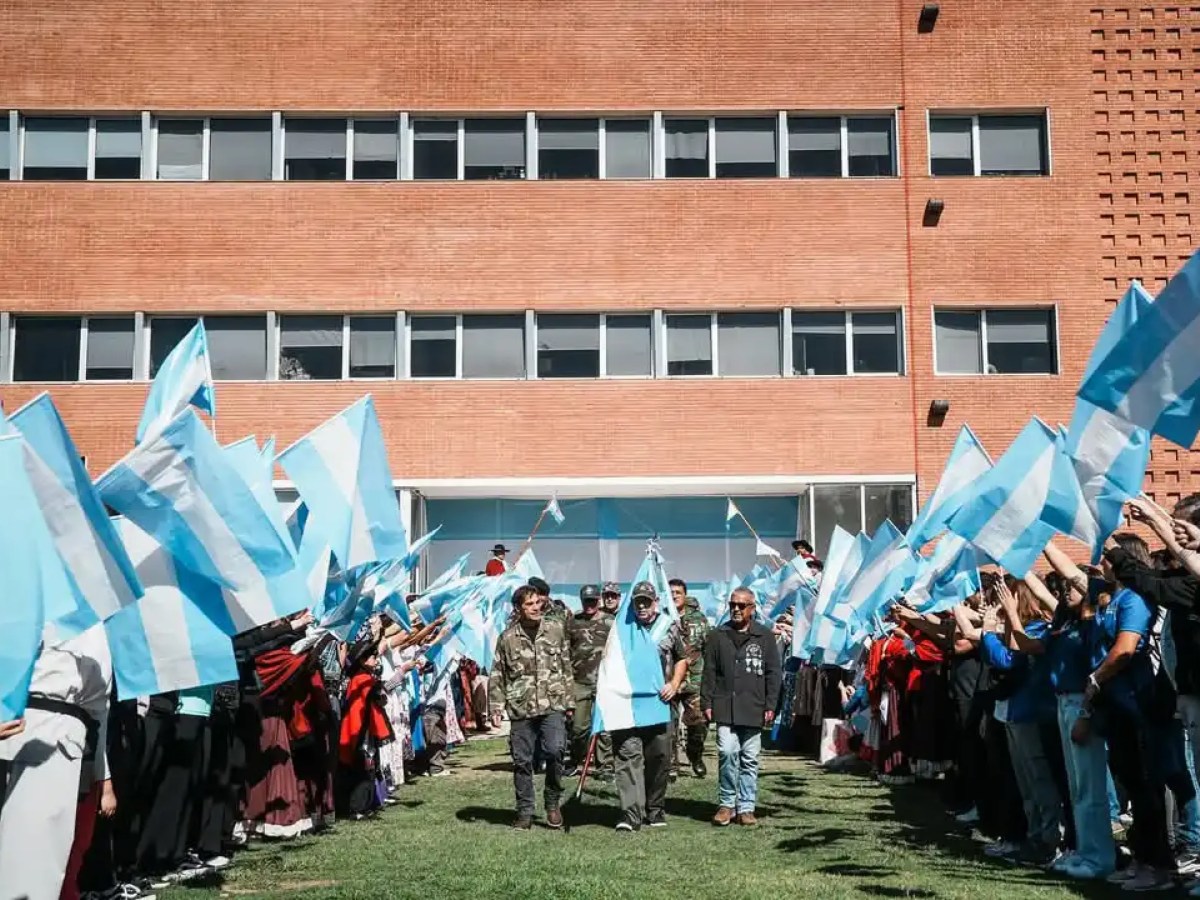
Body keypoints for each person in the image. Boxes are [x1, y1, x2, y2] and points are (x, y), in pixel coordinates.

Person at [0, 622, 113, 900]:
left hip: (67, 745)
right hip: (22, 727)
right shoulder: (28, 601)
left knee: (41, 862)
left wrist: (102, 775)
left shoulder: (98, 629)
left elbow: (101, 708)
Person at [488, 584, 574, 830]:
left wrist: (569, 701)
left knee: (556, 751)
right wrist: (495, 707)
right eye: (529, 604)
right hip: (521, 707)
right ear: (519, 608)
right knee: (522, 761)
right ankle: (524, 811)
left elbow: (566, 665)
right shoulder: (507, 638)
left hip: (552, 703)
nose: (536, 607)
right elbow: (498, 674)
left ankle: (552, 802)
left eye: (538, 602)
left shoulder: (556, 629)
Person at [610, 582, 687, 832]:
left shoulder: (669, 626)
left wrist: (674, 684)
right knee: (627, 756)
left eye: (646, 601)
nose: (642, 606)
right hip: (627, 704)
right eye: (637, 602)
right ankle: (630, 814)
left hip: (659, 703)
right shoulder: (622, 628)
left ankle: (654, 809)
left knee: (659, 757)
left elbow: (682, 658)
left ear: (656, 602)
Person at [701, 586, 782, 827]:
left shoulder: (765, 636)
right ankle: (726, 804)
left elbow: (773, 674)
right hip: (725, 705)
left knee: (749, 758)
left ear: (752, 608)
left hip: (754, 706)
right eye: (732, 605)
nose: (736, 609)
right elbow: (709, 672)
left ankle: (746, 807)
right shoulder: (718, 635)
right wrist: (706, 701)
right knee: (727, 752)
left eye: (741, 605)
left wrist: (771, 705)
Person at [567, 584, 614, 776]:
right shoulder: (572, 622)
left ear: (599, 601)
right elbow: (565, 650)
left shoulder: (610, 622)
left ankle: (606, 766)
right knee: (579, 728)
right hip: (579, 682)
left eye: (593, 601)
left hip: (605, 682)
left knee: (604, 728)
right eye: (586, 601)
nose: (589, 605)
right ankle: (577, 759)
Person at [668, 578, 711, 778]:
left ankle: (695, 755)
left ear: (685, 596)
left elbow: (708, 649)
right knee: (669, 725)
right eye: (671, 592)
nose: (675, 596)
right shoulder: (662, 618)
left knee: (698, 724)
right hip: (669, 680)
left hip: (695, 679)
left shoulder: (699, 620)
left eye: (678, 592)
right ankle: (671, 765)